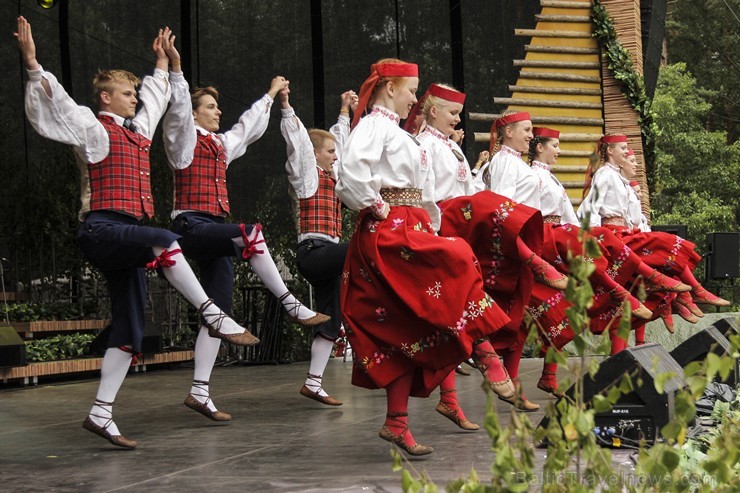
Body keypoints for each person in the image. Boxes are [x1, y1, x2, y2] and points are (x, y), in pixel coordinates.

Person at [16, 18, 257, 449]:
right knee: (163, 239)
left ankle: (101, 413)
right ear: (107, 97)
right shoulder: (93, 129)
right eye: (127, 94)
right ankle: (213, 312)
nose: (134, 99)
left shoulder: (139, 132)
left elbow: (158, 100)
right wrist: (34, 65)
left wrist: (164, 65)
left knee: (129, 331)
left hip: (128, 238)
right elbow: (60, 107)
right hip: (102, 229)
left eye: (134, 93)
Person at [335, 59, 512, 455]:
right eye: (412, 90)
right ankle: (484, 352)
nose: (415, 98)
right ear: (391, 87)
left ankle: (396, 423)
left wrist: (430, 223)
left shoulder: (400, 134)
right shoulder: (375, 126)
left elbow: (426, 192)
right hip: (389, 230)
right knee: (459, 260)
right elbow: (348, 172)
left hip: (410, 223)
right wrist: (376, 206)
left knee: (408, 331)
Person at [163, 70, 330, 420]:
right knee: (251, 233)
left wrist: (270, 95)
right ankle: (291, 304)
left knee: (219, 314)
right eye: (210, 107)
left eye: (216, 107)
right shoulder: (182, 138)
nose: (217, 111)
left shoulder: (220, 145)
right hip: (190, 225)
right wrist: (175, 72)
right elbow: (178, 112)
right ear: (192, 113)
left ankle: (199, 392)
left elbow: (248, 127)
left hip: (214, 229)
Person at [412, 84, 544, 412]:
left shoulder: (447, 147)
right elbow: (430, 194)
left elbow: (472, 189)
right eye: (453, 113)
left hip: (465, 229)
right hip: (450, 228)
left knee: (479, 311)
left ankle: (456, 396)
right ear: (432, 112)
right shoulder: (426, 145)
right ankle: (473, 380)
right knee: (463, 310)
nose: (458, 121)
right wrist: (435, 232)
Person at [579, 135, 729, 319]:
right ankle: (694, 292)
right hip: (612, 234)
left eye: (627, 148)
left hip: (625, 231)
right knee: (667, 242)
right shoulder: (604, 174)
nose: (626, 152)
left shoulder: (618, 178)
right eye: (623, 148)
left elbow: (632, 216)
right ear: (610, 150)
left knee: (664, 251)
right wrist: (596, 236)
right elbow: (590, 207)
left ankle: (686, 296)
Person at [279, 86, 357, 406]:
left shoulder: (332, 177)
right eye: (329, 152)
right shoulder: (306, 175)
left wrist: (344, 110)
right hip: (313, 252)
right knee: (367, 246)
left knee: (330, 320)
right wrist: (285, 106)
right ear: (315, 155)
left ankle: (313, 382)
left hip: (328, 258)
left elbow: (340, 137)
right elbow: (298, 145)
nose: (335, 156)